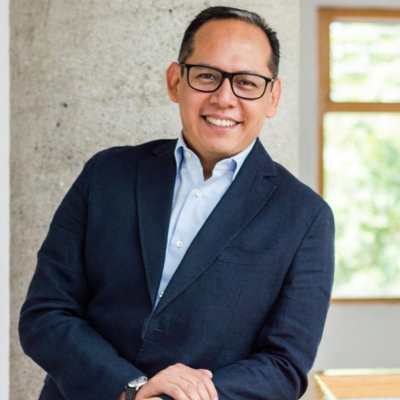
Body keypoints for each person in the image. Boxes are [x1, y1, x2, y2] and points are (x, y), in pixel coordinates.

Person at [19, 6, 334, 400]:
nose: (224, 98)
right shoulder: (106, 174)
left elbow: (284, 364)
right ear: (175, 81)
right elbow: (45, 313)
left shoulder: (305, 216)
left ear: (272, 97)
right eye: (207, 76)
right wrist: (130, 388)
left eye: (247, 83)